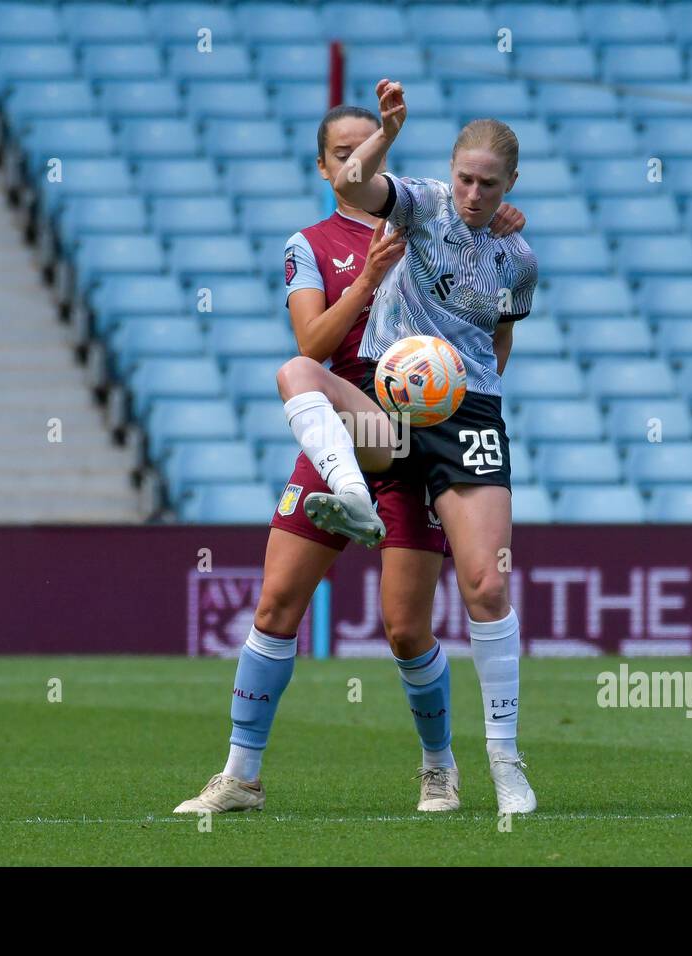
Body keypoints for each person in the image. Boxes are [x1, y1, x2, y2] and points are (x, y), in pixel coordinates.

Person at [174, 105, 528, 815]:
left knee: (406, 627)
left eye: (359, 148)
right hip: (346, 421)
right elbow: (310, 344)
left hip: (424, 424)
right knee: (276, 601)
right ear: (323, 164)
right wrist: (366, 281)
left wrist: (490, 212)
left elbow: (495, 331)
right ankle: (240, 776)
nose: (349, 161)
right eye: (340, 151)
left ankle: (440, 767)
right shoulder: (314, 243)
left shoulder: (433, 217)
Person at [274, 79, 540, 813]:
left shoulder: (519, 259)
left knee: (485, 584)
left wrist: (475, 391)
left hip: (466, 416)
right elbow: (355, 181)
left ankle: (505, 760)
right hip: (389, 414)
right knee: (298, 370)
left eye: (490, 184)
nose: (475, 192)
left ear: (510, 184)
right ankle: (353, 498)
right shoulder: (420, 202)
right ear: (448, 172)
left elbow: (502, 333)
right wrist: (386, 130)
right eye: (465, 177)